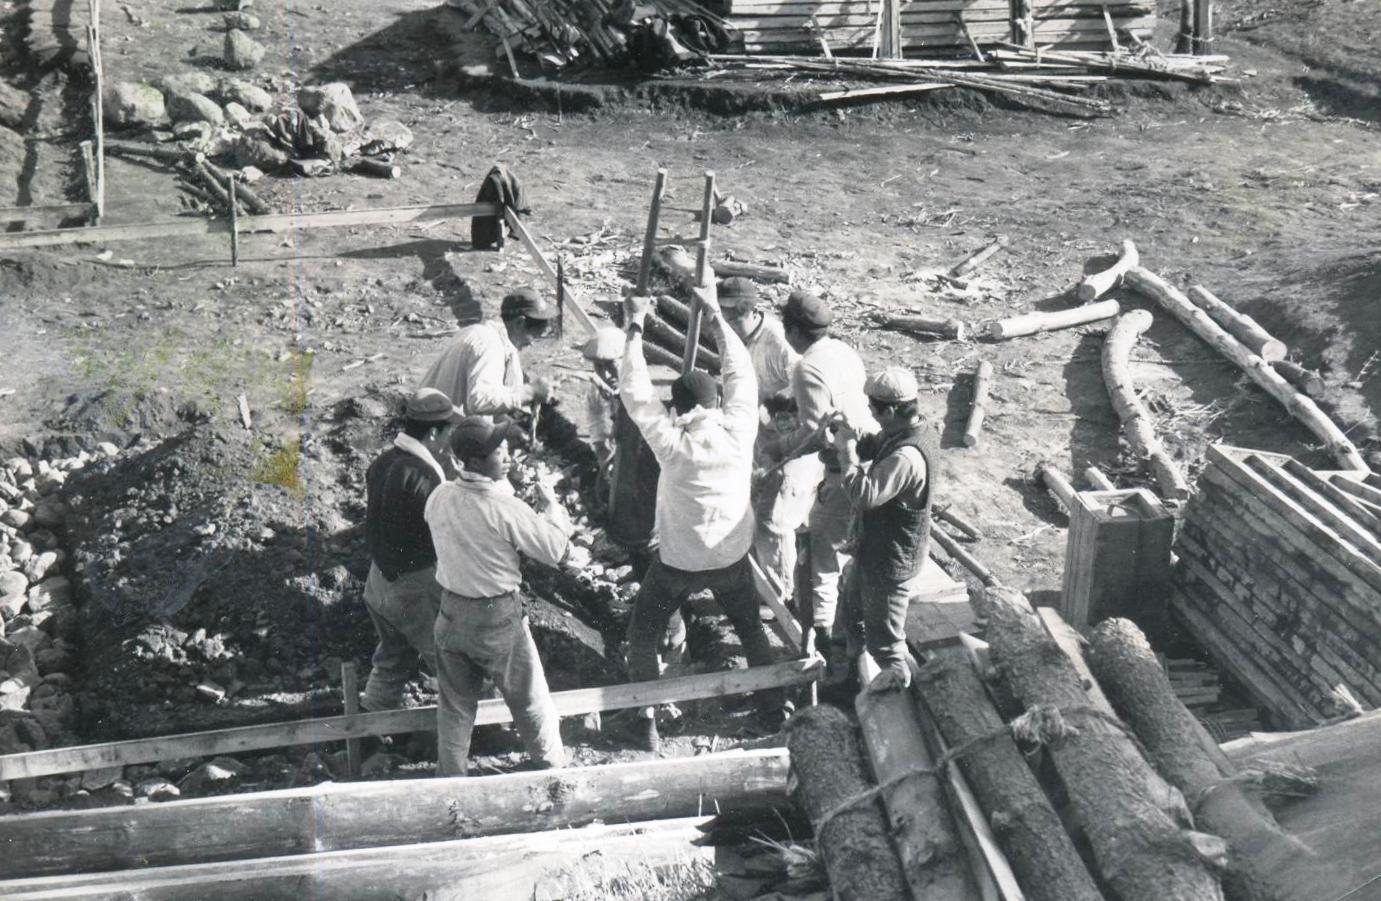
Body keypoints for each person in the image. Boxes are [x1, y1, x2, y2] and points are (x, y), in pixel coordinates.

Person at [619, 280, 781, 751]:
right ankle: (772, 707)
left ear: (680, 408)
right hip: (730, 557)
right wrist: (714, 317)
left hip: (677, 563)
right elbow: (741, 373)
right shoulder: (740, 431)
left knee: (643, 633)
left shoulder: (672, 443)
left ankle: (645, 720)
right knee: (750, 628)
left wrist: (634, 325)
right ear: (715, 403)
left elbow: (634, 391)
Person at [425, 416, 569, 776]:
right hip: (496, 618)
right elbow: (555, 549)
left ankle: (450, 780)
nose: (507, 457)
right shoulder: (504, 507)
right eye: (498, 452)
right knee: (529, 699)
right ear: (475, 461)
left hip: (450, 612)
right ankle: (552, 770)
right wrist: (551, 507)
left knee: (455, 708)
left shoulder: (440, 495)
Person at [762, 290, 878, 649]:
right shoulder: (842, 350)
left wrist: (778, 447)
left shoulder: (806, 367)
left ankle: (826, 642)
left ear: (794, 331)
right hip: (872, 456)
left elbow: (816, 435)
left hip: (846, 467)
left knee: (822, 556)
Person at [831, 367, 939, 693]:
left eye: (873, 409)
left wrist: (846, 455)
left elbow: (865, 495)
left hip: (891, 561)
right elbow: (875, 445)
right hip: (874, 551)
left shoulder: (907, 456)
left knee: (886, 644)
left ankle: (910, 695)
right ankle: (852, 681)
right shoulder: (903, 430)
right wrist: (850, 435)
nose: (870, 413)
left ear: (890, 411)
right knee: (852, 612)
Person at [359, 387, 459, 713]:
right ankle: (479, 729)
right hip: (414, 590)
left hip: (378, 584)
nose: (449, 439)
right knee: (454, 663)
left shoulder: (382, 463)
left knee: (393, 658)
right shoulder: (423, 476)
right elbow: (443, 534)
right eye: (447, 432)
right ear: (433, 433)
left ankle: (371, 724)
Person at [718, 278, 815, 604]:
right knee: (757, 506)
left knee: (775, 519)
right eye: (726, 319)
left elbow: (804, 389)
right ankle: (765, 577)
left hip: (790, 440)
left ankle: (779, 596)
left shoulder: (778, 343)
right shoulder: (736, 337)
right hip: (759, 437)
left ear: (752, 311)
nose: (730, 326)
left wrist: (771, 404)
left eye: (735, 319)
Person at [419, 287, 558, 419]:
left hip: (434, 418)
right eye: (534, 336)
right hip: (434, 427)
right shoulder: (489, 344)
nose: (531, 343)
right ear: (519, 323)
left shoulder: (489, 336)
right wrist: (530, 391)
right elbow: (480, 400)